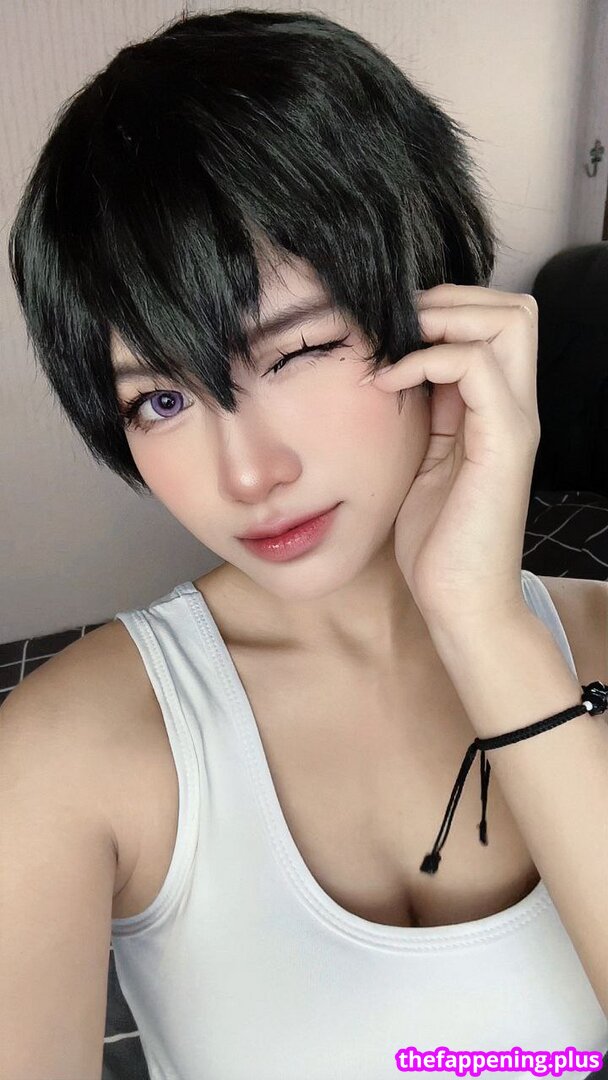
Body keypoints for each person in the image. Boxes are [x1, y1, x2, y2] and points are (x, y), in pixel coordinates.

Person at [3, 10, 607, 1080]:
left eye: (296, 350)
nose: (246, 475)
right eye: (159, 401)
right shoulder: (61, 756)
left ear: (439, 309)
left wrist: (483, 628)